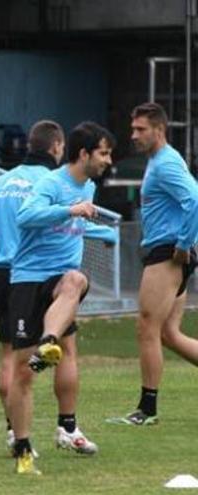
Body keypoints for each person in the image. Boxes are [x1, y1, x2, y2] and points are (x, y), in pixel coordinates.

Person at [0, 120, 99, 457]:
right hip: (39, 272)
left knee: (10, 358)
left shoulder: (1, 181)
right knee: (67, 350)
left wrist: (7, 238)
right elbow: (47, 218)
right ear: (58, 147)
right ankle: (68, 427)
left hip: (5, 270)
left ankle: (15, 433)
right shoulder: (53, 182)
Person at [6, 122, 117, 475]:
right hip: (27, 280)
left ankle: (48, 341)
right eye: (103, 153)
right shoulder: (51, 183)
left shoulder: (89, 186)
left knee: (76, 279)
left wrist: (103, 232)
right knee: (22, 374)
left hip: (59, 278)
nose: (108, 160)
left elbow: (75, 228)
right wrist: (70, 210)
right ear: (83, 154)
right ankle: (23, 449)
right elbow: (26, 217)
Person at [108, 103, 198, 426]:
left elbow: (195, 198)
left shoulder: (165, 164)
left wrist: (183, 244)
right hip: (170, 251)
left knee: (147, 328)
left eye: (140, 129)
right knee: (169, 334)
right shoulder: (160, 161)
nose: (134, 135)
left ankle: (146, 411)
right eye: (133, 129)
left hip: (167, 253)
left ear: (158, 130)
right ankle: (147, 409)